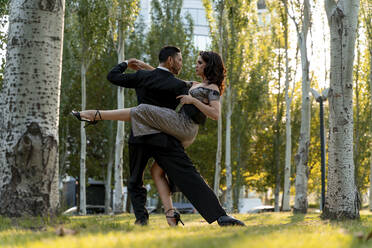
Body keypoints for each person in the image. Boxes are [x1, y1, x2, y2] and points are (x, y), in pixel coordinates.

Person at [72, 46, 244, 227]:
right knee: (156, 171)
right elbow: (164, 78)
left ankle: (94, 115)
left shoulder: (212, 88)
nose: (195, 65)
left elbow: (215, 115)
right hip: (176, 125)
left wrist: (192, 101)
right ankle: (172, 215)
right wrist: (145, 66)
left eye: (200, 63)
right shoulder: (193, 84)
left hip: (184, 125)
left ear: (209, 66)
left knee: (143, 110)